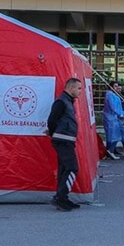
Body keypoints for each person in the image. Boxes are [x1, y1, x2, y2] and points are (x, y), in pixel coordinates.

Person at [47, 78, 83, 211]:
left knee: (64, 169)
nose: (80, 91)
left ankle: (62, 197)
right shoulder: (62, 102)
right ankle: (60, 198)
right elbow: (51, 119)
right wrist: (53, 133)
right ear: (70, 88)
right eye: (78, 88)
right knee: (72, 168)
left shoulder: (67, 101)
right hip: (63, 139)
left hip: (66, 139)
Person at [103, 81, 124, 158]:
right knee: (114, 135)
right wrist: (120, 114)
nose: (117, 88)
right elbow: (113, 107)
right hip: (111, 118)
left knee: (115, 134)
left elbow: (118, 107)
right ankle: (110, 151)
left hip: (114, 117)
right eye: (115, 86)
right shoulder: (110, 95)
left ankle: (111, 151)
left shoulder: (113, 95)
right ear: (111, 87)